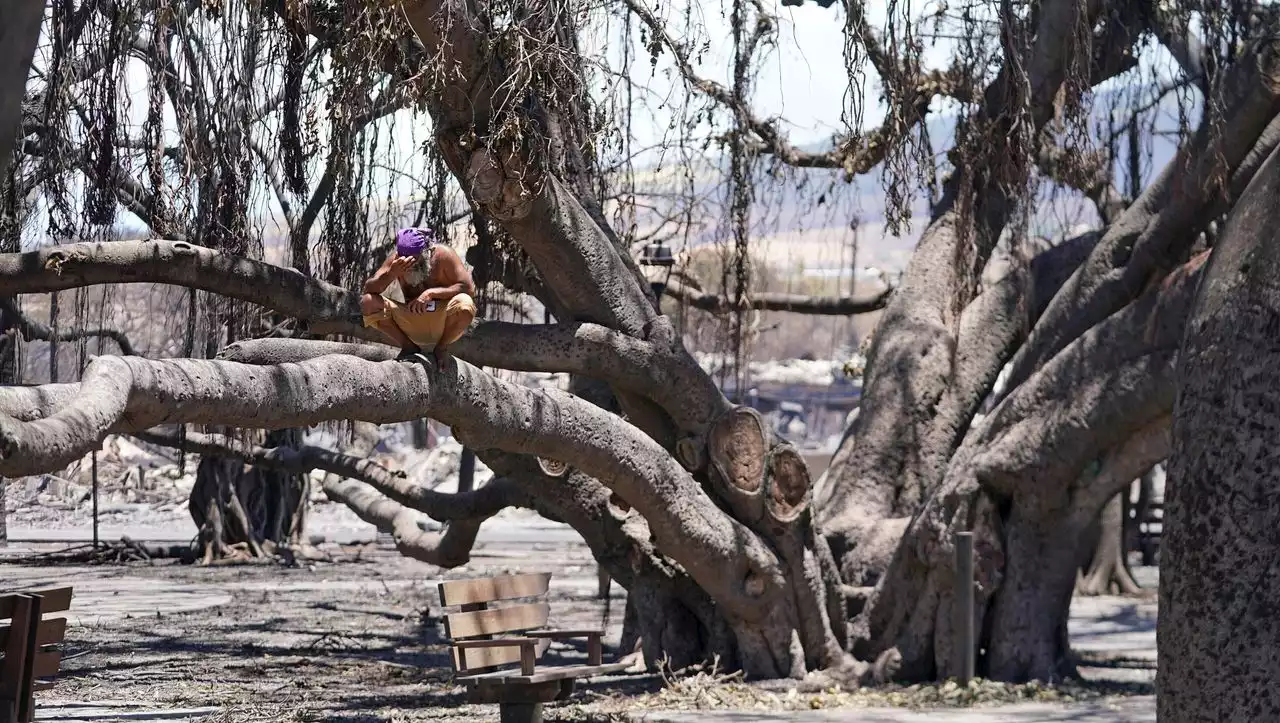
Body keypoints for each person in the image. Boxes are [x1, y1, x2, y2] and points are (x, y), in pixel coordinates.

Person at [360, 227, 476, 365]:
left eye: (416, 260)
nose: (411, 265)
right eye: (408, 261)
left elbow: (468, 288)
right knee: (368, 302)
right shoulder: (396, 261)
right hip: (412, 320)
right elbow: (369, 289)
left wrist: (430, 293)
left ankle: (441, 347)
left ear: (427, 251)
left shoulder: (443, 256)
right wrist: (391, 274)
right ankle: (408, 346)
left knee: (465, 304)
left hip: (443, 321)